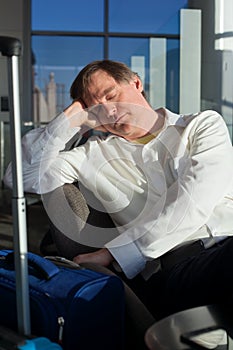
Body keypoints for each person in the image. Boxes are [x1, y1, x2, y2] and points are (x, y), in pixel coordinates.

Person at [4, 60, 233, 323]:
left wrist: (116, 253)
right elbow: (17, 178)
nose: (110, 111)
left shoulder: (202, 126)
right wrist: (70, 120)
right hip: (179, 266)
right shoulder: (91, 156)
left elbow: (195, 198)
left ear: (136, 83)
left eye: (111, 96)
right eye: (97, 107)